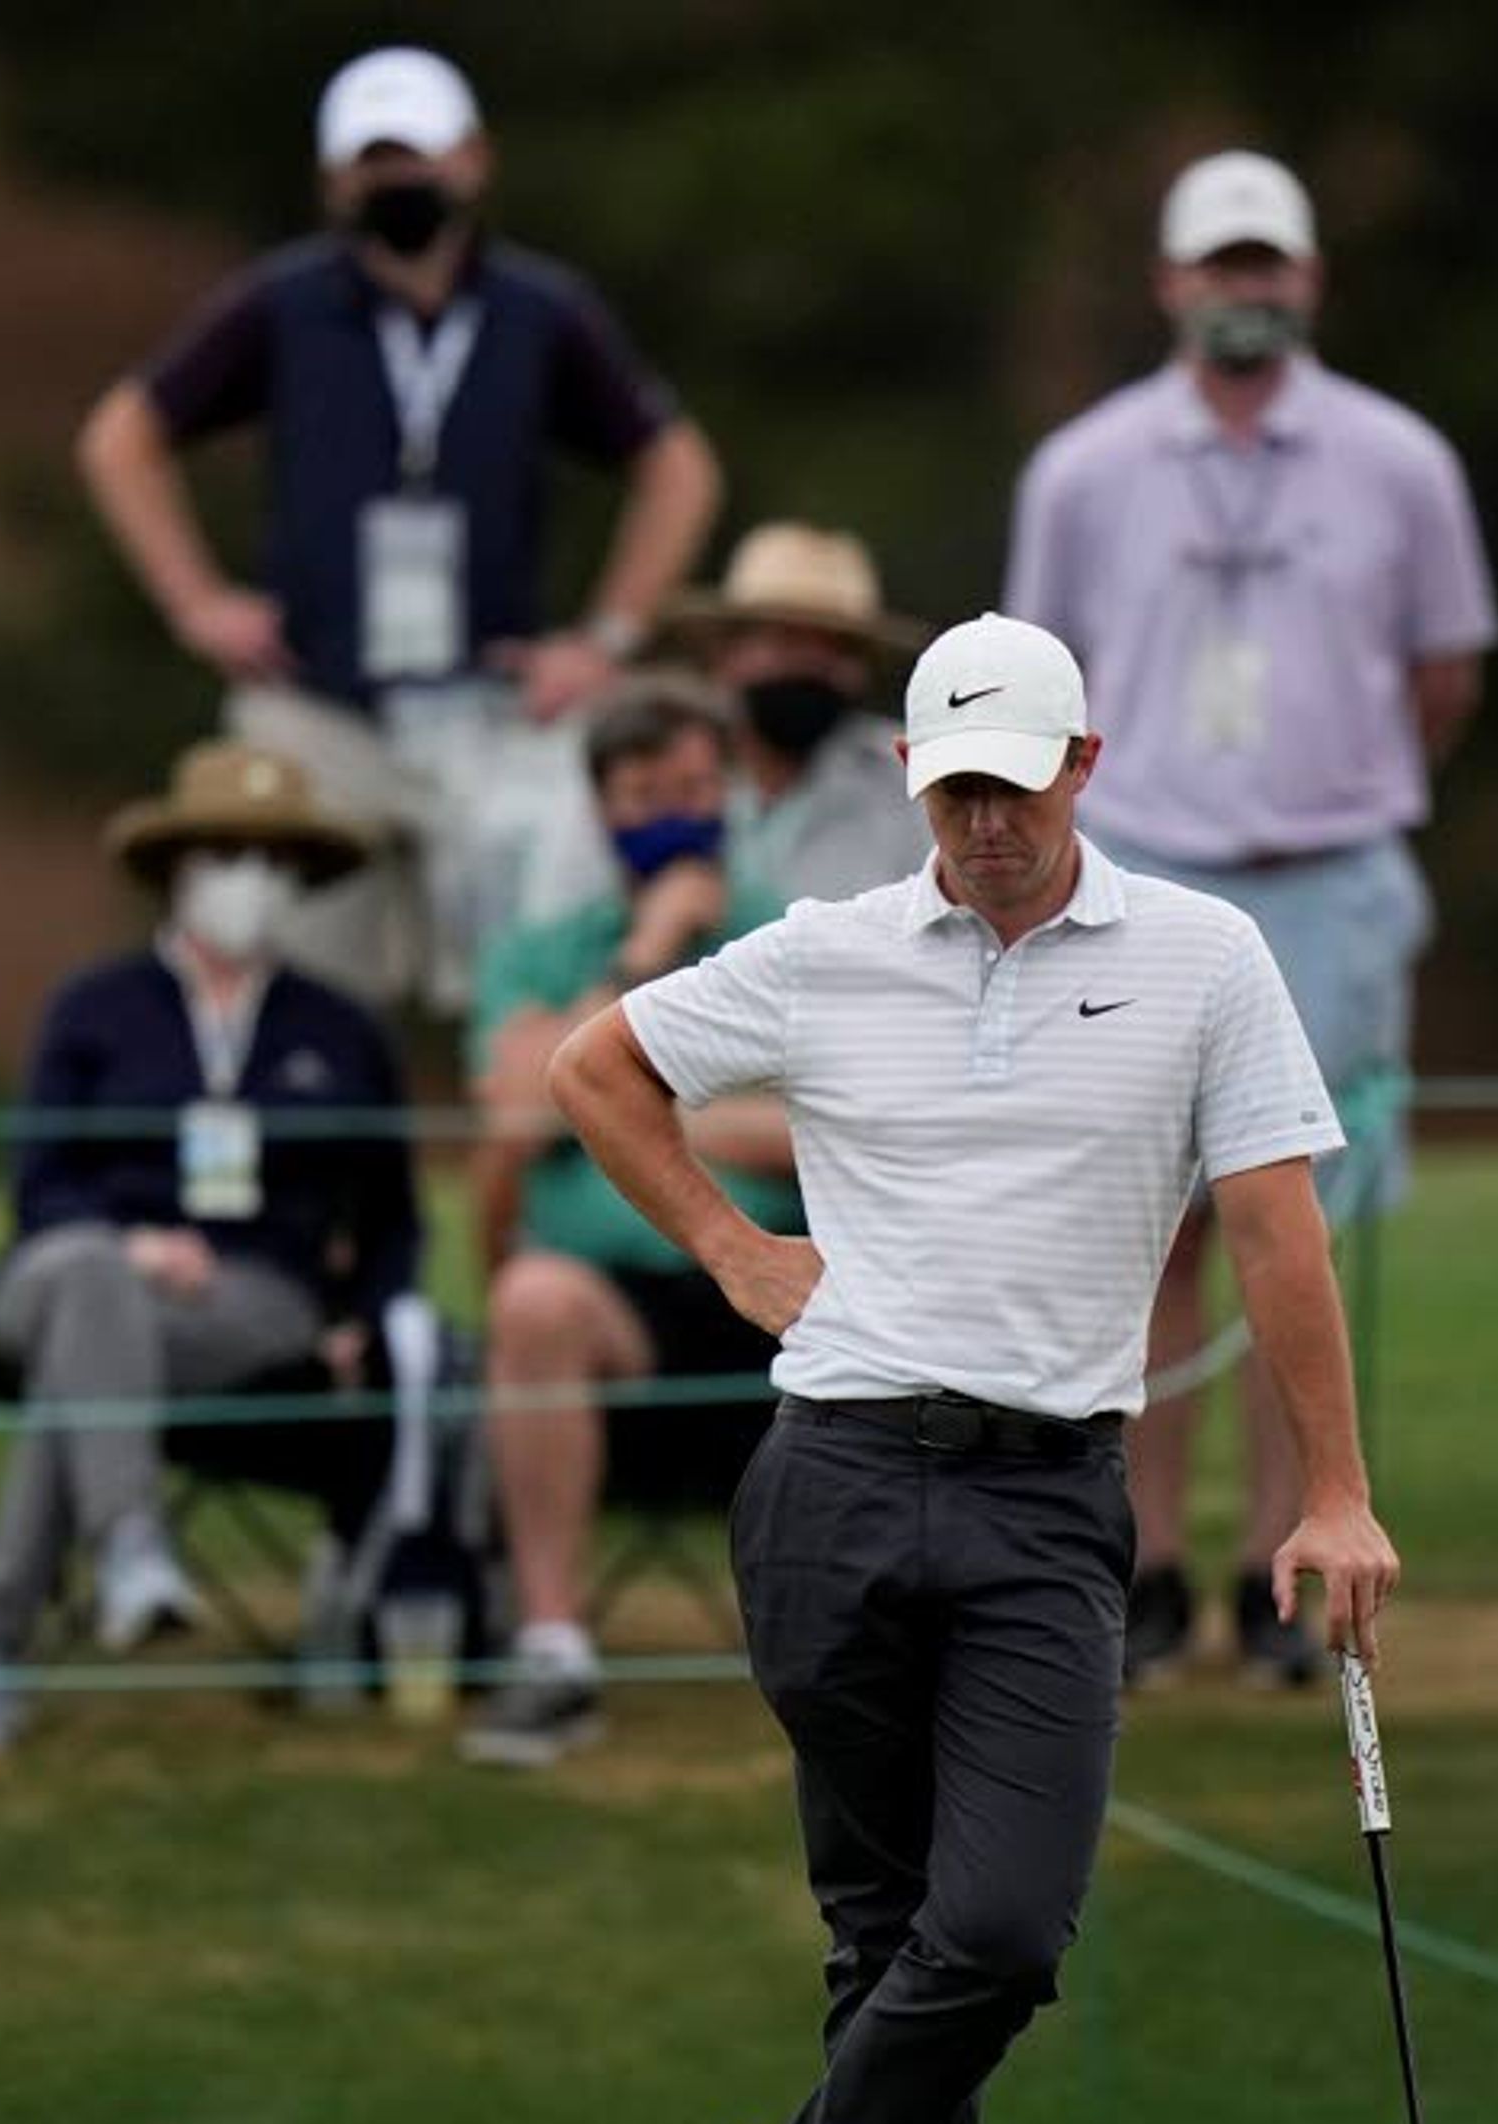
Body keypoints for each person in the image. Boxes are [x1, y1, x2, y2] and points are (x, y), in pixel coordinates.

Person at [552, 612, 1395, 2124]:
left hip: (1041, 1498)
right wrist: (734, 1250)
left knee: (1000, 1930)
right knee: (882, 1928)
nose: (984, 826)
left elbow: (1272, 1230)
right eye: (952, 791)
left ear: (1083, 768)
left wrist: (1333, 1489)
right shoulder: (832, 951)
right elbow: (595, 1067)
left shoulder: (1202, 958)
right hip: (834, 1476)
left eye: (1013, 788)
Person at [1005, 148, 1495, 1689]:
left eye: (1266, 265)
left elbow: (1444, 676)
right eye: (1218, 267)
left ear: (1309, 280)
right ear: (1170, 284)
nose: (1244, 292)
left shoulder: (1398, 460)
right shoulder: (1085, 470)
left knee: (1308, 1231)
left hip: (1332, 870)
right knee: (1150, 1231)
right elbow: (1041, 681)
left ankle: (1296, 1558)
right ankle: (1142, 1566)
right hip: (1141, 864)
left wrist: (1340, 782)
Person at [76, 43, 722, 1012]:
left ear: (471, 158)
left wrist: (606, 640)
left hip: (495, 712)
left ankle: (519, 1165)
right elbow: (122, 437)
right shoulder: (284, 305)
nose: (398, 181)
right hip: (318, 705)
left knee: (522, 983)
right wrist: (193, 601)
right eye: (374, 162)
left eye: (415, 156)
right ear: (336, 178)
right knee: (284, 980)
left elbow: (678, 468)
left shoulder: (538, 313)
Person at [0, 743, 422, 1757]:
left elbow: (392, 1216)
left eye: (277, 858)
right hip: (63, 1268)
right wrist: (133, 1245)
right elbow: (39, 1186)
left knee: (84, 1361)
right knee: (90, 1282)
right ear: (179, 866)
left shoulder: (342, 1029)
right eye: (230, 852)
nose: (253, 879)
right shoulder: (91, 1008)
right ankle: (127, 1541)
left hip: (250, 1303)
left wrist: (361, 1316)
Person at [464, 677, 798, 1770]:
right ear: (602, 807)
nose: (680, 809)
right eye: (650, 789)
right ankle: (555, 1647)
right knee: (531, 1300)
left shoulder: (797, 944)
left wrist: (616, 1109)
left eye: (700, 785)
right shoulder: (541, 955)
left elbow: (834, 1128)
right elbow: (514, 1108)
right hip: (609, 1311)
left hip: (774, 1300)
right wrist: (650, 946)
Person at [662, 522, 932, 909]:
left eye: (836, 647)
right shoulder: (661, 781)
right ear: (726, 653)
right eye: (787, 640)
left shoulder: (915, 787)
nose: (811, 663)